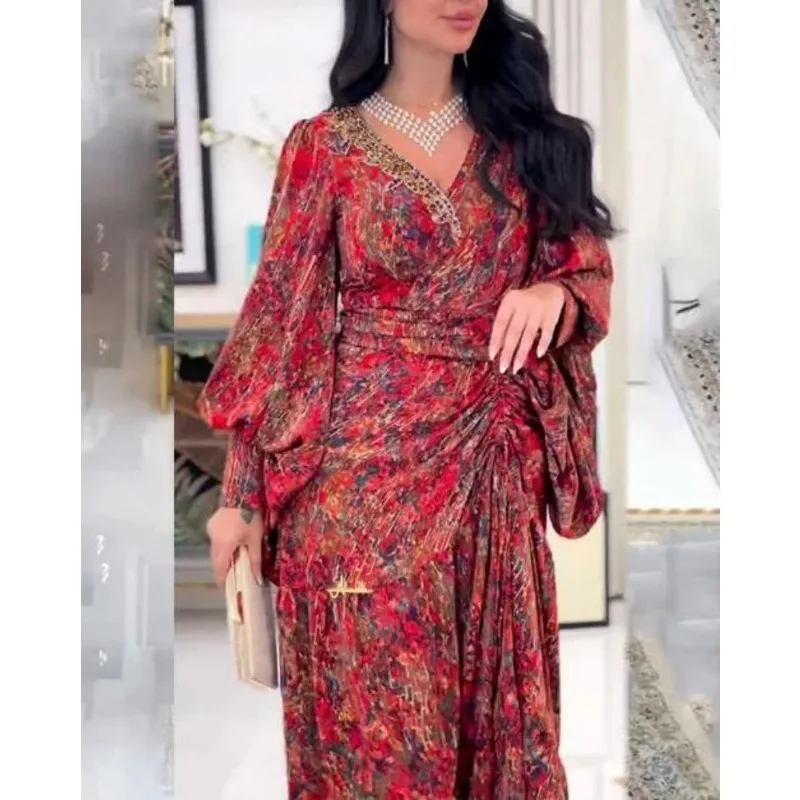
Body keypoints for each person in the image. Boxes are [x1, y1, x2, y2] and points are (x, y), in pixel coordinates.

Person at [199, 0, 613, 796]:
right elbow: (281, 323)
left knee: (503, 730)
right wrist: (242, 497)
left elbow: (587, 270)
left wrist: (556, 294)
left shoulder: (529, 142)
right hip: (351, 495)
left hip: (490, 478)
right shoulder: (325, 148)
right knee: (376, 739)